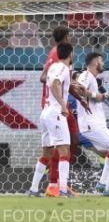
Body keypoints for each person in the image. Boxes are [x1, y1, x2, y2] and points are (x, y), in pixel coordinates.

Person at [39, 26, 89, 198]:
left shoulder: (61, 54)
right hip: (57, 106)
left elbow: (55, 80)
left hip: (60, 104)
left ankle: (56, 183)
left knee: (71, 141)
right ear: (67, 37)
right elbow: (46, 78)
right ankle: (56, 184)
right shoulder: (57, 54)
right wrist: (65, 93)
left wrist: (75, 91)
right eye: (70, 35)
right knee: (64, 145)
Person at [28, 42, 75, 197]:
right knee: (64, 150)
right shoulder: (63, 68)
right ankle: (62, 190)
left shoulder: (53, 66)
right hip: (55, 112)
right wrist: (63, 105)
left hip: (46, 112)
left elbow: (45, 79)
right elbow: (55, 84)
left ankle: (33, 189)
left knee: (47, 152)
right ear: (70, 54)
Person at [77, 53, 109, 197]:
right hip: (91, 125)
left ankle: (103, 183)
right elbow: (79, 89)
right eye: (102, 60)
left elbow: (96, 98)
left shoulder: (92, 79)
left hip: (95, 125)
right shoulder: (86, 75)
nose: (103, 63)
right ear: (96, 62)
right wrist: (92, 95)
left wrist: (108, 93)